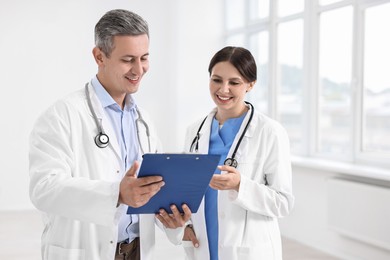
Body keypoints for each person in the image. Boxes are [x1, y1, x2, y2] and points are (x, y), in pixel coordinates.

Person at [29, 9, 189, 260]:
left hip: (137, 250)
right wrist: (116, 194)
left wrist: (171, 217)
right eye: (128, 59)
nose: (139, 69)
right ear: (99, 56)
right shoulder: (62, 115)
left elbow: (151, 188)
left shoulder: (143, 120)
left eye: (144, 57)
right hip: (86, 251)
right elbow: (44, 189)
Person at [181, 46, 294, 260]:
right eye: (217, 80)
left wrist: (240, 185)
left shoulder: (269, 132)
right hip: (203, 245)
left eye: (234, 82)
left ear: (250, 85)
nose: (223, 89)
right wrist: (185, 225)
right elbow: (187, 189)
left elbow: (283, 202)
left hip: (248, 250)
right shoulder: (194, 131)